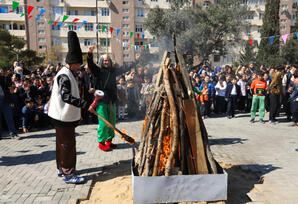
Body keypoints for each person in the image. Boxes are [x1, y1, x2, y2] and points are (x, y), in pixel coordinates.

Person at [48, 31, 86, 184]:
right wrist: (82, 103)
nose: (79, 67)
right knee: (67, 145)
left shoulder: (68, 73)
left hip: (61, 116)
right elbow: (65, 96)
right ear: (71, 63)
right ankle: (68, 174)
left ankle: (61, 168)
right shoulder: (64, 75)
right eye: (77, 65)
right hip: (62, 117)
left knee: (61, 144)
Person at [87, 45, 131, 151]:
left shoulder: (113, 71)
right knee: (103, 122)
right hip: (101, 101)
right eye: (104, 60)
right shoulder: (98, 70)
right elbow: (91, 64)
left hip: (111, 100)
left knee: (112, 121)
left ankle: (109, 141)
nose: (106, 62)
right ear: (101, 61)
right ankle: (101, 142)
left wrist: (137, 61)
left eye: (108, 60)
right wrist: (89, 54)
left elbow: (125, 68)